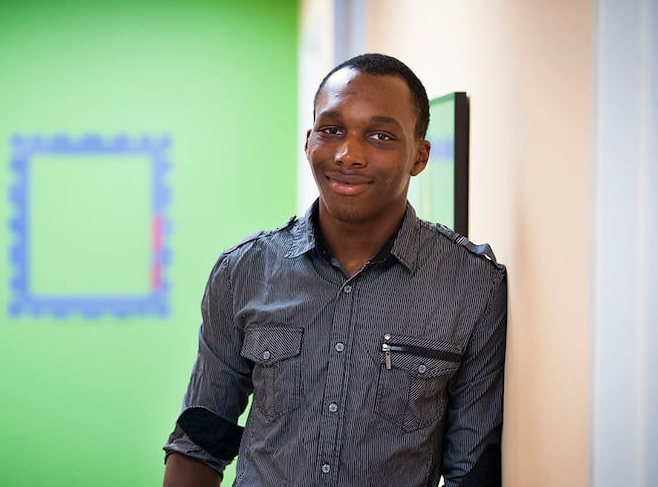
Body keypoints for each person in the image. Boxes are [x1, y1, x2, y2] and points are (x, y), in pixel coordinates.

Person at [163, 53, 507, 486]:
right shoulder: (243, 272)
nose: (348, 155)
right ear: (309, 141)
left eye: (381, 136)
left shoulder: (474, 285)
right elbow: (200, 442)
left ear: (419, 157)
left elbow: (471, 472)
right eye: (332, 130)